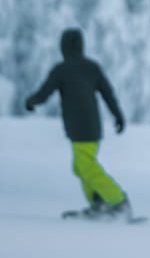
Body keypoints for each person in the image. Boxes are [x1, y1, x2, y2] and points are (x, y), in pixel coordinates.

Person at [25, 28, 131, 219]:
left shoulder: (61, 69)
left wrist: (30, 102)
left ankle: (117, 202)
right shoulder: (92, 67)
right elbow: (108, 94)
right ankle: (99, 203)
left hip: (80, 128)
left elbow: (44, 92)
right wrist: (118, 115)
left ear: (63, 47)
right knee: (80, 166)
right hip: (92, 127)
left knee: (87, 166)